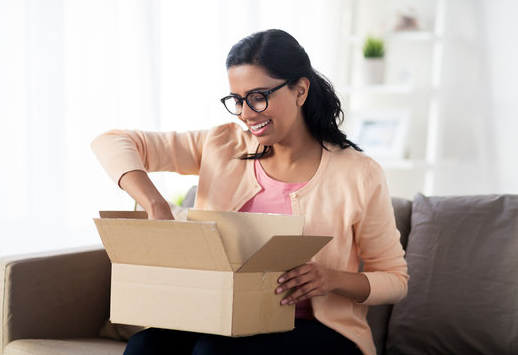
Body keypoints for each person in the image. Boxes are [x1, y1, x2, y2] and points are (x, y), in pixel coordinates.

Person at [91, 29, 408, 355]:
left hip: (319, 330)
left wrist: (331, 278)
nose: (245, 113)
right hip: (221, 319)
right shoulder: (221, 144)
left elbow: (395, 280)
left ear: (300, 89)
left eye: (258, 96)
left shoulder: (359, 173)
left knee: (213, 352)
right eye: (237, 100)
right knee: (145, 345)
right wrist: (156, 205)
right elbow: (112, 141)